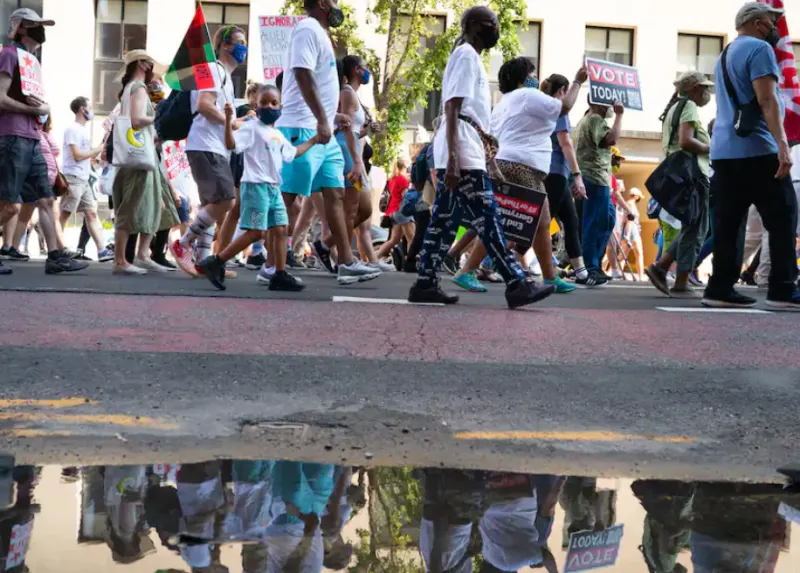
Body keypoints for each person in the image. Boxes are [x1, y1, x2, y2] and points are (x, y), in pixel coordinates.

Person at [408, 6, 554, 308]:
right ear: (474, 25)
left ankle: (425, 283)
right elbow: (452, 106)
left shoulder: (469, 57)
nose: (496, 28)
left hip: (465, 145)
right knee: (489, 217)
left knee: (444, 221)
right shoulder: (465, 55)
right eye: (492, 23)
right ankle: (516, 282)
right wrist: (452, 159)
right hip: (461, 147)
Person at [453, 58, 586, 294]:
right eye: (533, 74)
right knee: (525, 221)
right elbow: (564, 107)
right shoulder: (527, 95)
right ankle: (469, 271)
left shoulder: (504, 102)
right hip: (522, 167)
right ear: (522, 79)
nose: (537, 78)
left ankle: (548, 276)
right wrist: (577, 81)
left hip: (508, 164)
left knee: (525, 222)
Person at [703, 2, 800, 309]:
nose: (776, 30)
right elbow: (767, 99)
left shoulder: (725, 54)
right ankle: (783, 289)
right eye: (773, 23)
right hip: (757, 150)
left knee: (729, 222)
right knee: (784, 216)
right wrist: (782, 145)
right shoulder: (760, 50)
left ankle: (720, 288)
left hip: (724, 151)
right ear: (759, 24)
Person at [276, 0, 380, 285]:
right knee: (286, 197)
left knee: (335, 196)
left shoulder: (319, 33)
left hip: (322, 130)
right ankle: (272, 265)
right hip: (303, 127)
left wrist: (331, 117)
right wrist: (323, 118)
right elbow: (301, 73)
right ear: (322, 3)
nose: (337, 6)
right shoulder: (307, 29)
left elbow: (316, 84)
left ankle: (346, 262)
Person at [198, 87, 318, 291]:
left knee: (280, 229)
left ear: (281, 107)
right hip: (255, 187)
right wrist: (228, 120)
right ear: (256, 106)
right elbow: (230, 144)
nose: (269, 107)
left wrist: (315, 140)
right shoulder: (251, 128)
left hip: (273, 188)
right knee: (256, 232)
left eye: (274, 103)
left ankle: (279, 274)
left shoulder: (277, 135)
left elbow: (293, 153)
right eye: (264, 103)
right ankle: (216, 261)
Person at [0, 8, 86, 275]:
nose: (42, 30)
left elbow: (33, 102)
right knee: (10, 204)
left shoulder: (31, 61)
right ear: (22, 27)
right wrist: (33, 111)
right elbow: (1, 97)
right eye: (36, 25)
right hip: (12, 136)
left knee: (47, 199)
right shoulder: (9, 54)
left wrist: (43, 109)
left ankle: (56, 256)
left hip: (32, 136)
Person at [170, 25, 247, 278]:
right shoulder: (214, 69)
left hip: (211, 147)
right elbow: (204, 105)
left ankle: (204, 263)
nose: (243, 46)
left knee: (211, 205)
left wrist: (238, 123)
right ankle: (183, 244)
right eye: (239, 41)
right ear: (224, 45)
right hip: (206, 146)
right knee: (226, 200)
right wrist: (233, 123)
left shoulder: (223, 74)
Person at [646, 71, 714, 297]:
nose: (707, 93)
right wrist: (710, 147)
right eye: (704, 88)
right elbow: (686, 140)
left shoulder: (674, 108)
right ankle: (679, 281)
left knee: (690, 226)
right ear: (694, 88)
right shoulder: (689, 107)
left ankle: (662, 267)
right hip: (693, 176)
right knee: (696, 229)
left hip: (681, 175)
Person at [111, 50, 178, 275]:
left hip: (140, 154)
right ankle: (122, 260)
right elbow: (137, 120)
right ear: (142, 64)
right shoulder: (138, 87)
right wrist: (159, 118)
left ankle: (139, 255)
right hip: (139, 157)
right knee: (131, 206)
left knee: (151, 203)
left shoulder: (131, 87)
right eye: (150, 64)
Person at [543, 74, 607, 287]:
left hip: (557, 174)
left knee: (571, 221)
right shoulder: (559, 110)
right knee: (539, 225)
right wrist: (577, 176)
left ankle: (580, 272)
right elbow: (565, 144)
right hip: (554, 174)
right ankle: (496, 262)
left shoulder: (551, 108)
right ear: (563, 90)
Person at [575, 96, 626, 279]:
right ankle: (591, 266)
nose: (612, 106)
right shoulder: (595, 119)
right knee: (595, 223)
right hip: (594, 177)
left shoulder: (586, 119)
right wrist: (620, 115)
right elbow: (611, 139)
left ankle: (592, 263)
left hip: (595, 177)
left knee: (606, 220)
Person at [59, 96, 111, 261]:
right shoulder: (73, 129)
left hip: (84, 179)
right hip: (73, 178)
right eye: (90, 107)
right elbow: (76, 155)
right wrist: (96, 150)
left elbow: (85, 156)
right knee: (64, 215)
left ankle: (102, 251)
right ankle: (58, 248)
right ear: (83, 109)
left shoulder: (82, 131)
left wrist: (97, 156)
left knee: (92, 214)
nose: (92, 110)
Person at [375, 158, 415, 261]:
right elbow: (405, 197)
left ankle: (375, 258)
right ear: (404, 167)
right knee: (412, 238)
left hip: (392, 212)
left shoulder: (391, 179)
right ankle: (411, 261)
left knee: (394, 240)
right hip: (401, 211)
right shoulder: (402, 179)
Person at [620, 187, 645, 281]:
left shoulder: (629, 203)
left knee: (624, 254)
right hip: (631, 230)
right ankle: (641, 276)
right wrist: (627, 234)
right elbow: (628, 220)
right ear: (636, 196)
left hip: (631, 230)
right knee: (638, 253)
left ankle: (617, 272)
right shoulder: (630, 204)